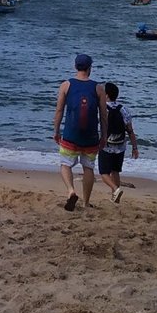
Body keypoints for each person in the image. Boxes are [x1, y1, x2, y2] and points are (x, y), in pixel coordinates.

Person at [53, 53, 105, 211]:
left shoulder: (66, 85)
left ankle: (71, 190)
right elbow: (103, 115)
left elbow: (59, 111)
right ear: (90, 68)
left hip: (71, 134)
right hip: (90, 136)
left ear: (75, 67)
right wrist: (104, 135)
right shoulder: (98, 88)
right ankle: (86, 202)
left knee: (65, 164)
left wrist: (56, 131)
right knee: (88, 167)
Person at [97, 81, 139, 204]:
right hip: (120, 146)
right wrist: (135, 147)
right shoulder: (123, 109)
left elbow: (96, 126)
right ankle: (115, 197)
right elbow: (130, 131)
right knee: (115, 171)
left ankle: (116, 189)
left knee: (104, 173)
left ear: (107, 95)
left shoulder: (102, 109)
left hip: (106, 146)